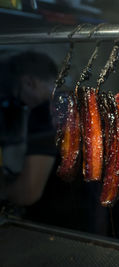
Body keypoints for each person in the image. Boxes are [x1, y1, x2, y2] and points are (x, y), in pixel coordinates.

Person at [1, 51, 58, 206]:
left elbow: (27, 194)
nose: (23, 104)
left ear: (29, 83)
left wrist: (5, 190)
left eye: (18, 95)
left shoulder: (44, 112)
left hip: (56, 220)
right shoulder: (72, 102)